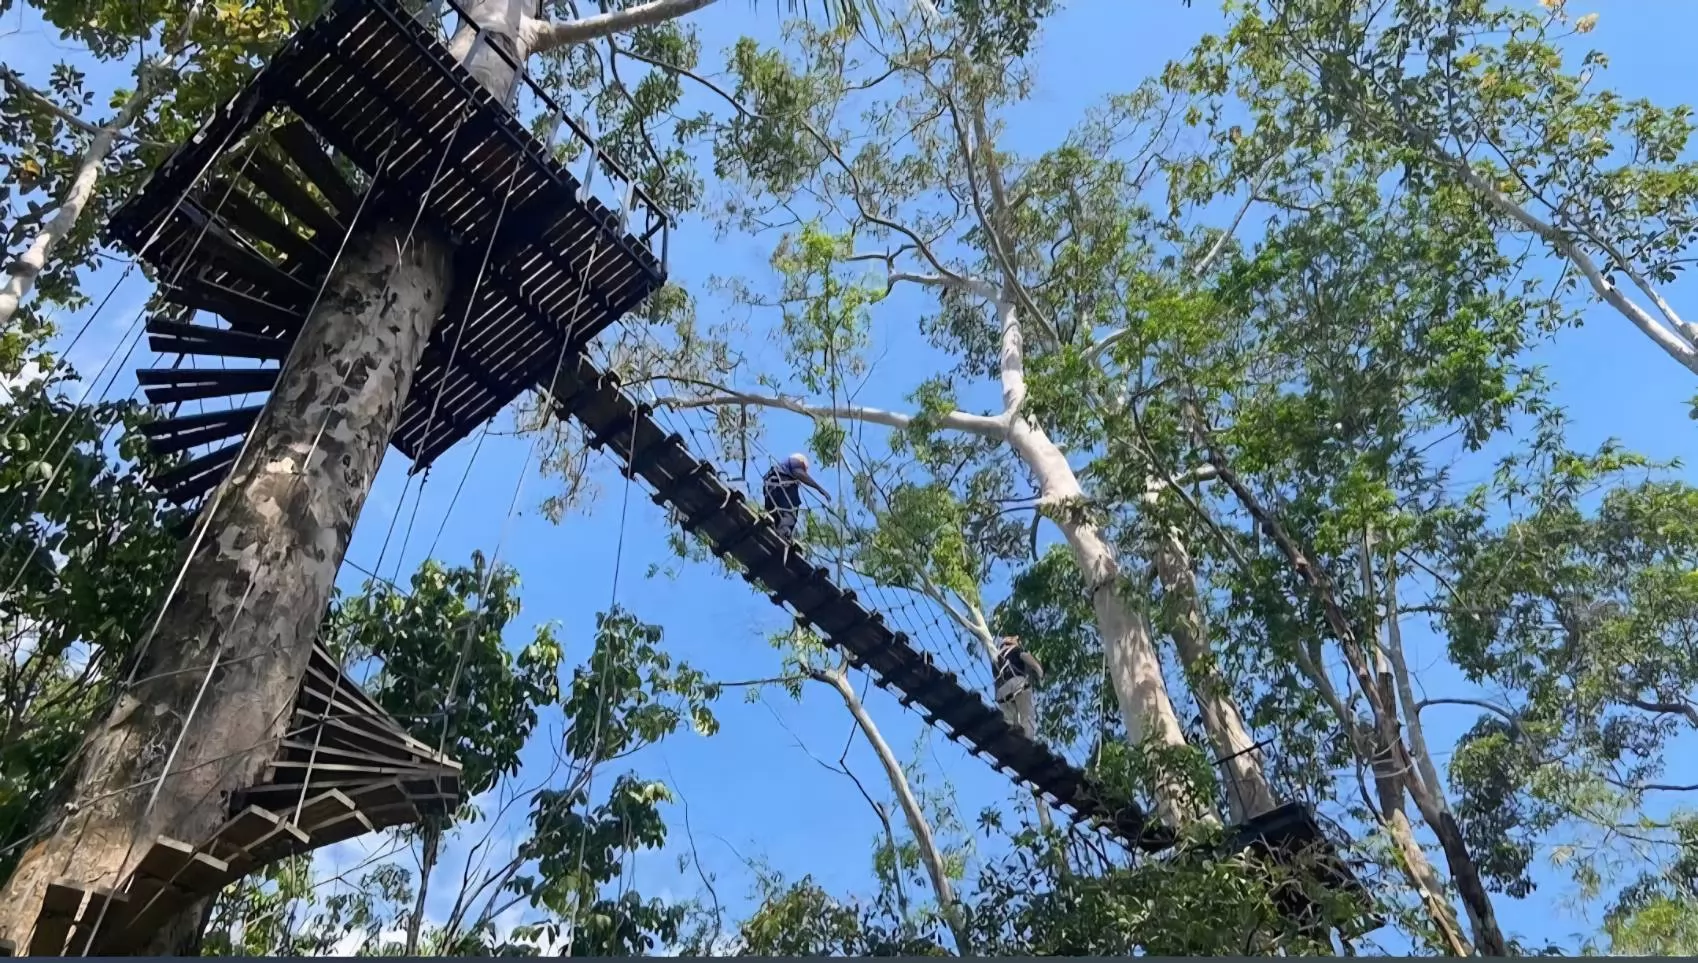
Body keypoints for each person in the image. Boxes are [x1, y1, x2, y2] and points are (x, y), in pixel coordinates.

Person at [762, 452, 830, 540]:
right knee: (790, 515)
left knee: (776, 515)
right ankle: (783, 534)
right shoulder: (795, 462)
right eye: (804, 468)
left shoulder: (780, 467)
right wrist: (819, 488)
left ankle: (773, 529)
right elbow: (799, 473)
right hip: (782, 487)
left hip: (771, 489)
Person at [993, 635, 1044, 739]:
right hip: (1018, 683)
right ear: (1011, 641)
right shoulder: (1015, 649)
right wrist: (1039, 670)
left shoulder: (997, 658)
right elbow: (1025, 656)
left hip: (1002, 693)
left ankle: (1011, 737)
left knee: (1010, 720)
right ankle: (1028, 740)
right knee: (1027, 715)